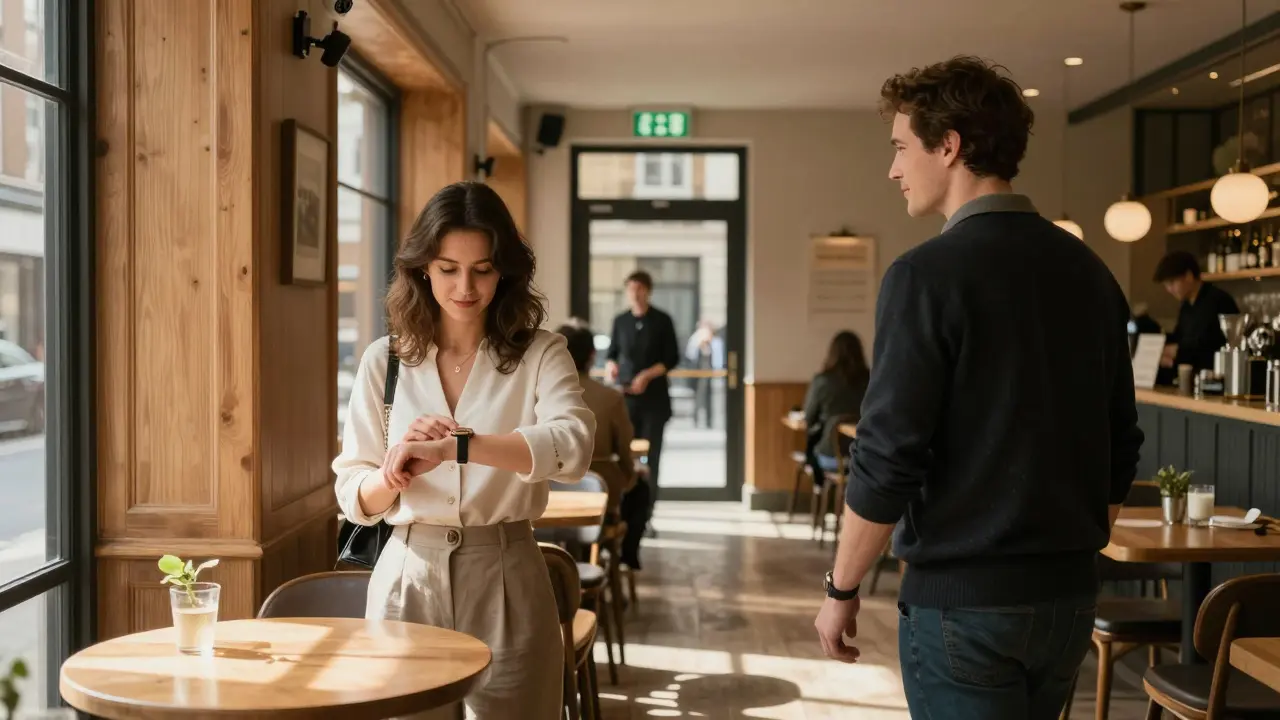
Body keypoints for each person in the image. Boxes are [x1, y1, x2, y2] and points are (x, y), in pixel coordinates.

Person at [813, 56, 1144, 720]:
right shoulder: (1090, 272)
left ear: (951, 145)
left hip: (964, 607)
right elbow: (1122, 442)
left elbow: (887, 457)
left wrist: (840, 587)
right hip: (1067, 603)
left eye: (902, 148)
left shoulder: (925, 276)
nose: (894, 168)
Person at [333, 181, 595, 719]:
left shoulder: (541, 352)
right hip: (406, 575)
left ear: (505, 271)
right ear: (423, 267)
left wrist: (461, 449)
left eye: (482, 268)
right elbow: (352, 490)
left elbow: (573, 448)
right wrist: (395, 471)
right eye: (449, 268)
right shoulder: (384, 360)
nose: (465, 286)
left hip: (508, 571)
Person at [557, 322, 650, 569]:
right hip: (601, 491)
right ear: (591, 355)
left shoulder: (539, 395)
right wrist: (630, 477)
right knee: (641, 490)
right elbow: (624, 453)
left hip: (547, 495)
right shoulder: (610, 397)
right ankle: (627, 557)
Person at [605, 270, 679, 508]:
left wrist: (647, 376)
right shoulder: (621, 321)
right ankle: (626, 508)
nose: (635, 294)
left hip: (654, 402)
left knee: (651, 458)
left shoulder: (662, 320)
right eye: (631, 289)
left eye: (640, 289)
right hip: (626, 400)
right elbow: (612, 354)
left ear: (648, 291)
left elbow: (671, 358)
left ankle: (648, 512)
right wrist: (611, 367)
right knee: (626, 456)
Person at [1153, 250, 1239, 374]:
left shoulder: (1219, 301)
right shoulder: (1186, 305)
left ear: (1188, 276)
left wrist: (1178, 351)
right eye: (1166, 285)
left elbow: (1215, 347)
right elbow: (1179, 338)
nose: (1169, 290)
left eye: (1172, 283)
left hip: (1217, 377)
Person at [802, 330, 870, 482]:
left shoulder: (822, 381)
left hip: (830, 455)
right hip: (864, 455)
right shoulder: (870, 381)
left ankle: (820, 491)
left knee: (811, 453)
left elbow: (808, 419)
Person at [685, 320, 725, 429]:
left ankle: (709, 421)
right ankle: (696, 419)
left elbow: (718, 360)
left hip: (710, 375)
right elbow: (690, 356)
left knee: (709, 398)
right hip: (697, 374)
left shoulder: (716, 342)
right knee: (698, 397)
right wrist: (700, 344)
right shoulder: (695, 341)